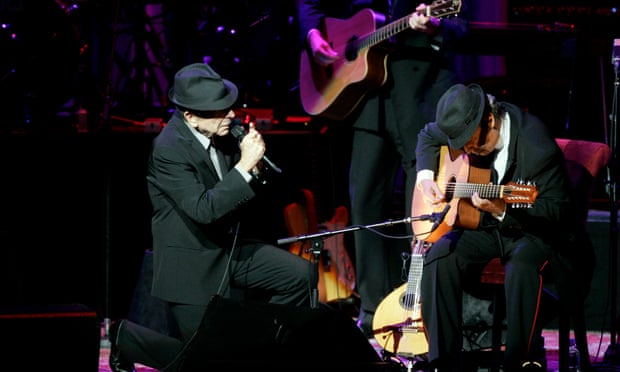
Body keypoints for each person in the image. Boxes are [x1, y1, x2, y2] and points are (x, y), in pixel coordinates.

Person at [108, 62, 312, 372]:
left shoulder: (225, 133)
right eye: (219, 110)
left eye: (229, 106)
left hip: (232, 251)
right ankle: (128, 338)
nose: (230, 115)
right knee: (208, 364)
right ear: (189, 115)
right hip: (193, 263)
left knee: (301, 276)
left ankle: (265, 349)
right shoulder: (169, 149)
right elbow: (204, 210)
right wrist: (244, 167)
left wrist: (255, 166)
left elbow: (248, 188)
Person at [295, 0, 470, 337]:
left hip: (420, 93)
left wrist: (437, 27)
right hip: (365, 93)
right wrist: (314, 34)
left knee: (422, 207)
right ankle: (373, 310)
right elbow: (309, 4)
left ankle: (418, 307)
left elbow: (465, 25)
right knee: (364, 199)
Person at [415, 83, 571, 371]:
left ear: (489, 120)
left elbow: (557, 212)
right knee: (439, 256)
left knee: (522, 265)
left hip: (532, 229)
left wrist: (503, 209)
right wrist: (425, 178)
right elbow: (427, 134)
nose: (467, 150)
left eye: (472, 144)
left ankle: (518, 363)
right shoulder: (463, 121)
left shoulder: (537, 147)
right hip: (488, 226)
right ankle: (443, 363)